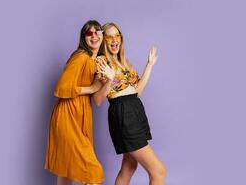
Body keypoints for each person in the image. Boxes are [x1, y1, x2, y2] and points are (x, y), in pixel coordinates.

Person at [93, 22, 167, 185]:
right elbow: (97, 100)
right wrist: (110, 80)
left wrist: (149, 65)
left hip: (134, 110)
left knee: (129, 167)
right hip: (124, 114)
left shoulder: (124, 61)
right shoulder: (102, 61)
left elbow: (137, 91)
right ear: (104, 40)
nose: (114, 40)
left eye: (117, 35)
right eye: (109, 36)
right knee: (159, 171)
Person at [44, 20, 105, 185]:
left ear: (102, 34)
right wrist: (91, 88)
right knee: (93, 171)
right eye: (89, 33)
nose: (94, 36)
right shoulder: (80, 57)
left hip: (80, 116)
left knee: (67, 169)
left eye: (97, 31)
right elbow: (61, 88)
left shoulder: (96, 61)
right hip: (67, 116)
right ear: (83, 38)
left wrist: (106, 81)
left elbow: (98, 100)